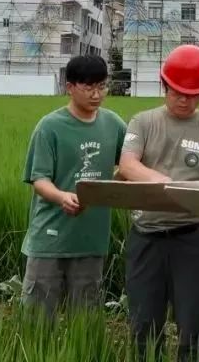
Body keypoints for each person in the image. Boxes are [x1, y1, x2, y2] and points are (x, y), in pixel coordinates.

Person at [118, 44, 199, 362]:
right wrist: (169, 185)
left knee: (194, 321)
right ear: (164, 84)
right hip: (147, 235)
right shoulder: (143, 122)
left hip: (192, 238)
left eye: (193, 94)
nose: (185, 100)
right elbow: (128, 164)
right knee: (143, 321)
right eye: (178, 92)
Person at [21, 55, 126, 319]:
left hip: (91, 240)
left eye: (102, 86)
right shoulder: (50, 127)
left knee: (86, 321)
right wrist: (62, 197)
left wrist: (113, 185)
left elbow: (132, 163)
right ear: (70, 87)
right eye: (88, 87)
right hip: (50, 239)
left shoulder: (113, 125)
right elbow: (39, 179)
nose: (96, 94)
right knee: (38, 319)